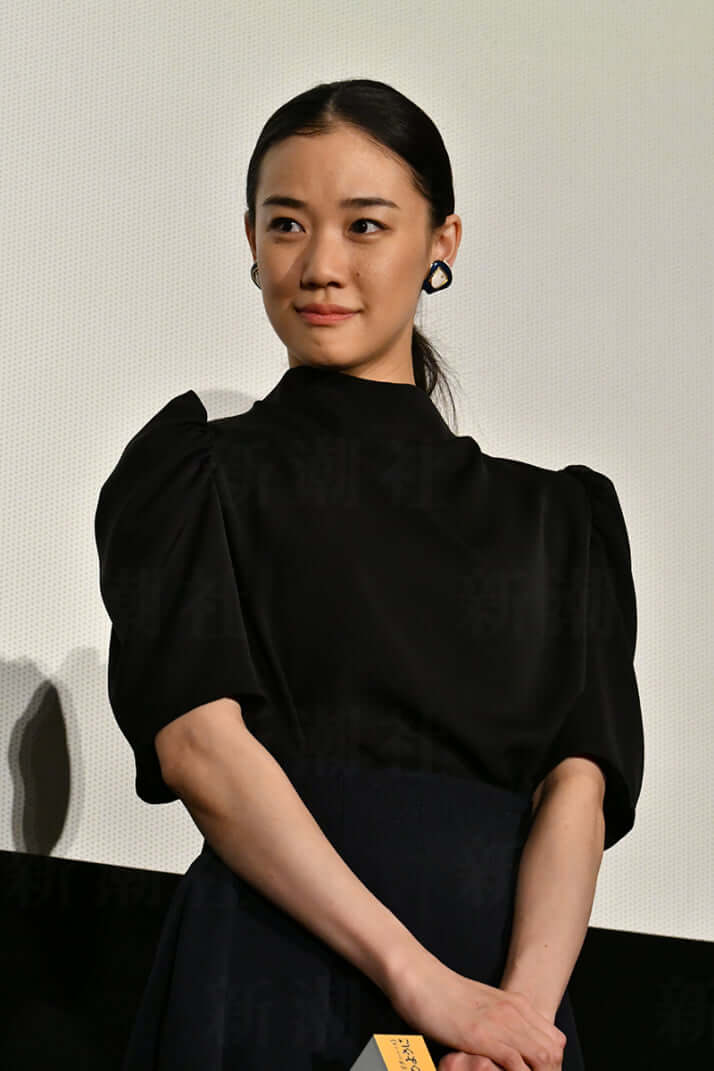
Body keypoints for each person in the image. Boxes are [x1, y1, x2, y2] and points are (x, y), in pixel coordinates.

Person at [94, 79, 644, 1071]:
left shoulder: (559, 520)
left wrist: (516, 1022)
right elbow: (200, 748)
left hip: (502, 1005)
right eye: (287, 224)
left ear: (442, 241)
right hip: (272, 974)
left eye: (365, 226)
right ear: (251, 239)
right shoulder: (195, 475)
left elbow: (580, 783)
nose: (320, 265)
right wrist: (422, 983)